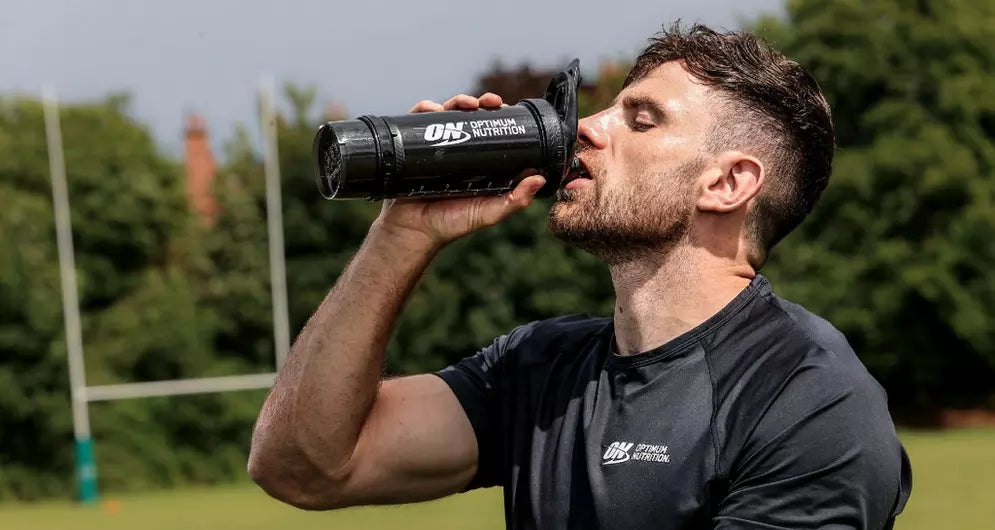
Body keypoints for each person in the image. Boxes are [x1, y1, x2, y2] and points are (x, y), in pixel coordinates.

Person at [248, 24, 912, 529]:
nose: (585, 129)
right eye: (604, 109)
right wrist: (400, 236)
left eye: (641, 119)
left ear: (728, 182)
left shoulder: (806, 400)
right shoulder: (541, 369)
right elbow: (303, 468)